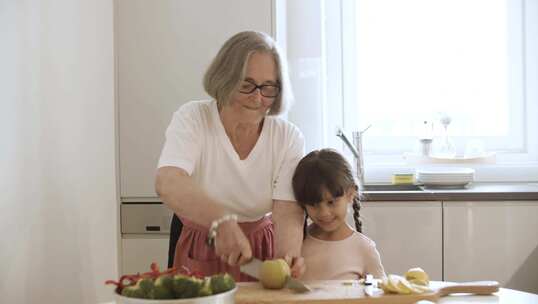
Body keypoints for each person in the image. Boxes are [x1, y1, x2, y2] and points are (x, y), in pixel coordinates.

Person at [155, 31, 306, 282]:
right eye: (246, 85)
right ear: (225, 79)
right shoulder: (193, 118)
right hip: (199, 241)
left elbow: (287, 210)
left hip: (260, 248)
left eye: (268, 87)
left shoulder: (287, 137)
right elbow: (168, 181)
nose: (257, 98)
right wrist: (221, 222)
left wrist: (288, 255)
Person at [292, 149, 386, 280]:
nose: (324, 213)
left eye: (331, 202)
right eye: (314, 204)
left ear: (350, 194)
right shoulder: (295, 245)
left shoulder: (364, 249)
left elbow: (380, 298)